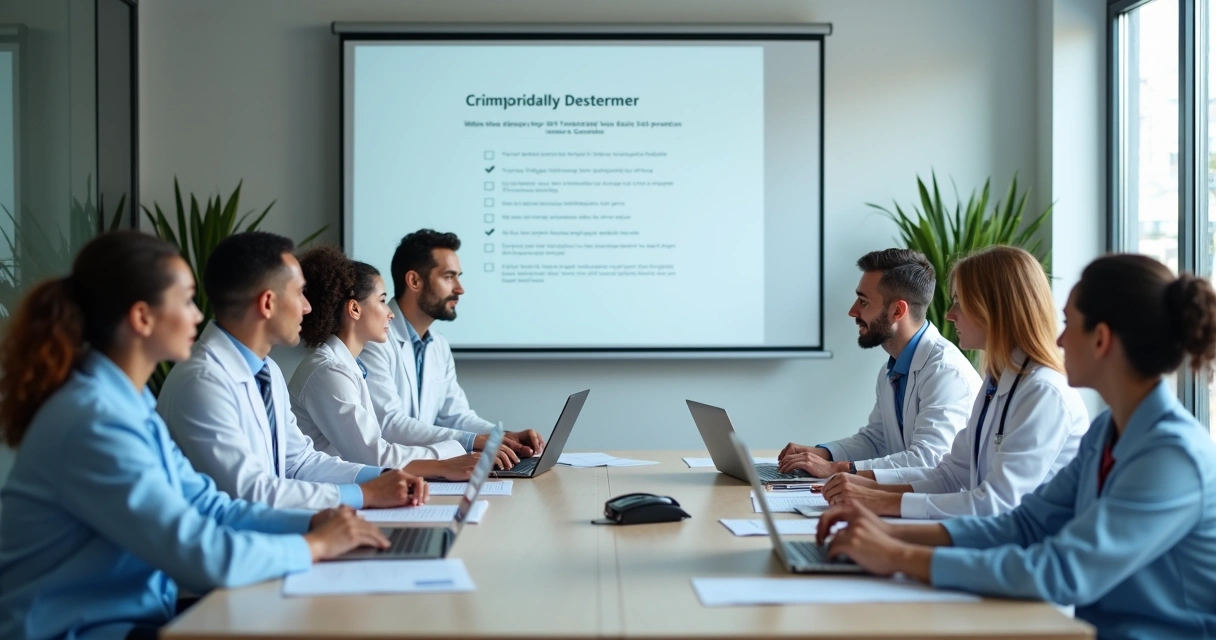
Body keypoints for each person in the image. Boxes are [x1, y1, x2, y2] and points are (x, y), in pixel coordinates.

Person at [0, 232, 390, 640]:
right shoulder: (95, 420)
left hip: (136, 619)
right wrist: (316, 545)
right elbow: (199, 551)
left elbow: (208, 505)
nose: (197, 316)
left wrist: (312, 520)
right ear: (142, 318)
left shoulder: (128, 407)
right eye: (186, 301)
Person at [817, 253, 1216, 639]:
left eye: (1068, 324)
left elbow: (1062, 570)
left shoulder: (1171, 456)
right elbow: (1025, 523)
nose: (1058, 338)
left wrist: (897, 556)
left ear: (1101, 340)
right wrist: (884, 533)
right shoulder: (1107, 434)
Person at [158, 232, 429, 510]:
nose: (307, 307)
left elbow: (299, 462)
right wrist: (365, 495)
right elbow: (249, 492)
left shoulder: (269, 372)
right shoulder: (202, 382)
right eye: (299, 293)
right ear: (267, 303)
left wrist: (384, 477)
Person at [822, 246, 1088, 519]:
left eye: (959, 302)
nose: (949, 315)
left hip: (1026, 551)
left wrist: (879, 500)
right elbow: (950, 475)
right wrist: (865, 488)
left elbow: (995, 504)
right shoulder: (996, 382)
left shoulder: (1044, 392)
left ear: (994, 309)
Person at [289, 245, 506, 478]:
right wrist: (452, 455)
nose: (390, 313)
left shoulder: (344, 366)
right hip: (323, 495)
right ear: (354, 308)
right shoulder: (328, 371)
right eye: (382, 301)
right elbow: (375, 456)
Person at [778, 249, 980, 477]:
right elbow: (877, 440)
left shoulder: (946, 373)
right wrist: (821, 454)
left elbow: (928, 460)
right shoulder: (892, 367)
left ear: (897, 311)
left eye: (863, 302)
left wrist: (837, 469)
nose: (852, 311)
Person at [361, 229, 544, 466]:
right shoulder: (373, 340)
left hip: (422, 474)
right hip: (388, 474)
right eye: (449, 277)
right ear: (414, 281)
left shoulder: (438, 345)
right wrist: (475, 441)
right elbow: (389, 424)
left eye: (458, 277)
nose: (460, 288)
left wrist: (505, 438)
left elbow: (456, 417)